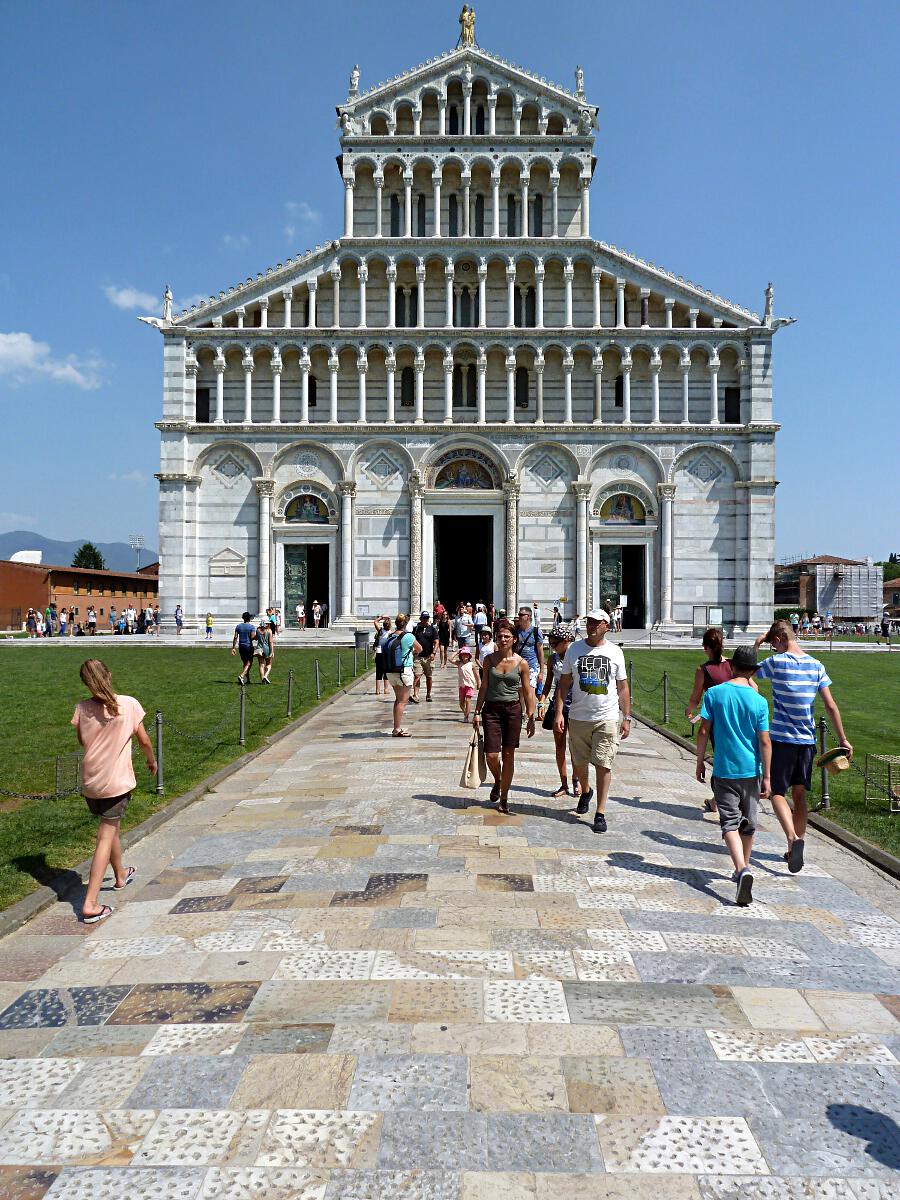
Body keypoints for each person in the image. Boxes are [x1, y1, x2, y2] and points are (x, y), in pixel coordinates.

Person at [753, 619, 852, 873]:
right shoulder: (816, 665)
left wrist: (757, 643)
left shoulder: (776, 662)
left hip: (782, 739)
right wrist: (842, 739)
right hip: (807, 741)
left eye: (772, 646)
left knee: (775, 792)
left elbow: (745, 671)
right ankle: (799, 843)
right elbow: (830, 705)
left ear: (776, 641)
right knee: (800, 794)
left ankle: (791, 839)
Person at [71, 659, 156, 923]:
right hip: (114, 781)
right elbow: (143, 739)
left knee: (112, 827)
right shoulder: (128, 704)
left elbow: (83, 740)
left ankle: (120, 874)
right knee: (105, 838)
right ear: (109, 674)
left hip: (91, 780)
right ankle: (90, 903)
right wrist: (151, 760)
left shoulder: (82, 708)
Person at [695, 645, 771, 906]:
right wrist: (767, 777)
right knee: (748, 823)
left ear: (733, 667)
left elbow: (704, 731)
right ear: (753, 671)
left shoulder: (715, 694)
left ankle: (741, 869)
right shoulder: (760, 701)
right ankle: (745, 865)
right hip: (751, 770)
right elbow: (765, 742)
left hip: (725, 769)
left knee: (729, 822)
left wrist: (699, 761)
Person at [554, 608, 630, 834]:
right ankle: (586, 791)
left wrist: (626, 717)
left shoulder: (615, 652)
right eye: (589, 622)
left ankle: (600, 812)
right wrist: (559, 712)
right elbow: (564, 683)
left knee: (603, 763)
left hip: (606, 716)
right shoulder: (574, 650)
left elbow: (623, 687)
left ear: (607, 626)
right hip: (578, 715)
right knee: (579, 762)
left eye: (597, 622)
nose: (592, 626)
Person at [473, 620, 535, 813]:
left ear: (514, 639)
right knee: (491, 754)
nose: (503, 639)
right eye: (499, 636)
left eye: (507, 636)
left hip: (512, 711)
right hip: (491, 710)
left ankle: (505, 797)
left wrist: (531, 716)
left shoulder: (521, 663)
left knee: (508, 755)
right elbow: (483, 686)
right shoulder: (489, 660)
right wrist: (476, 712)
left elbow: (527, 691)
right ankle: (498, 781)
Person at [685, 628, 736, 813]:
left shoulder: (703, 669)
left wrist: (689, 710)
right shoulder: (733, 664)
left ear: (706, 647)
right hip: (737, 717)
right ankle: (717, 800)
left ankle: (723, 800)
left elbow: (695, 697)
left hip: (717, 721)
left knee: (722, 759)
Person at [543, 623, 581, 799]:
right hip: (559, 705)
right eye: (550, 642)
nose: (552, 646)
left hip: (576, 706)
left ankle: (576, 779)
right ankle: (564, 783)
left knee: (575, 747)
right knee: (560, 747)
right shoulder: (553, 659)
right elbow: (549, 682)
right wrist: (541, 701)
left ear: (567, 641)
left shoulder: (576, 657)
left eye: (555, 643)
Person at [384, 613, 421, 737]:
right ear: (405, 624)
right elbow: (420, 648)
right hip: (404, 671)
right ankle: (397, 729)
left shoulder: (390, 636)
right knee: (402, 701)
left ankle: (396, 727)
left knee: (398, 700)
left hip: (391, 671)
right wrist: (413, 652)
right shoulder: (408, 636)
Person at [514, 605, 545, 698]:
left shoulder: (535, 631)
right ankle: (523, 712)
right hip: (518, 665)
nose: (519, 616)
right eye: (519, 614)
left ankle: (530, 712)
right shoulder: (516, 631)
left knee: (530, 690)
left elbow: (540, 651)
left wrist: (541, 672)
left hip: (532, 665)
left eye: (521, 614)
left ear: (528, 616)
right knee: (520, 691)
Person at [411, 611, 438, 703]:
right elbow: (411, 640)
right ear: (420, 619)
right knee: (417, 675)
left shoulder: (432, 629)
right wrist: (413, 650)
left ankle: (428, 694)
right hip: (418, 656)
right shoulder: (416, 629)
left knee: (429, 676)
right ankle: (416, 695)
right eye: (424, 618)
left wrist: (433, 652)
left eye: (427, 618)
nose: (426, 620)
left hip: (428, 657)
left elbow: (436, 641)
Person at [453, 643, 479, 722]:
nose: (465, 656)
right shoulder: (459, 663)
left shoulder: (471, 664)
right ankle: (465, 712)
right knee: (461, 703)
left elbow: (476, 675)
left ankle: (466, 717)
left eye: (466, 655)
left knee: (468, 700)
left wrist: (478, 683)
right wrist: (457, 652)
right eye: (463, 655)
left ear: (469, 656)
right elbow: (450, 659)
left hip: (469, 685)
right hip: (461, 685)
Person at [231, 611, 257, 684]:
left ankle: (247, 680)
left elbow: (235, 637)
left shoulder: (238, 626)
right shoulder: (251, 627)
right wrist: (258, 636)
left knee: (245, 663)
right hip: (248, 646)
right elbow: (252, 637)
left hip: (241, 646)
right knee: (249, 663)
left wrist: (233, 647)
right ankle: (242, 676)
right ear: (249, 619)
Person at [373, 616, 392, 697]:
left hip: (379, 651)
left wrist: (381, 617)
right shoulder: (391, 633)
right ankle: (386, 689)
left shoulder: (380, 631)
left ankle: (377, 690)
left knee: (379, 671)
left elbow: (375, 622)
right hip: (386, 652)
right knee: (386, 671)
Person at [255, 615, 273, 682]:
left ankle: (262, 679)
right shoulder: (269, 631)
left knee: (261, 664)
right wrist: (272, 651)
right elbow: (270, 642)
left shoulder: (257, 630)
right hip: (266, 648)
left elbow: (256, 638)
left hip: (259, 648)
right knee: (269, 664)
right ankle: (265, 676)